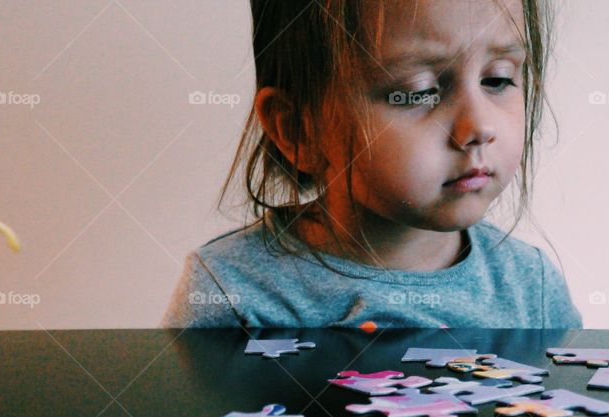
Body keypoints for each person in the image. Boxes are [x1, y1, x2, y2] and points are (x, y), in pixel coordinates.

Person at [163, 0, 582, 329]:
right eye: (418, 91)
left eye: (498, 79)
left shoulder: (532, 288)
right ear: (299, 128)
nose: (479, 127)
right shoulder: (232, 292)